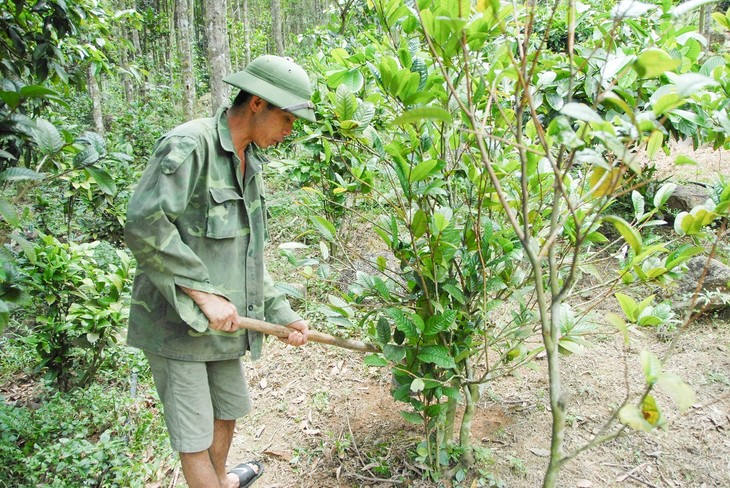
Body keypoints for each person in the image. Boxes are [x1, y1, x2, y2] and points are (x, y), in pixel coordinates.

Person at [124, 55, 316, 488]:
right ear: (257, 104)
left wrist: (281, 313)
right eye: (286, 118)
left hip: (225, 323)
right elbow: (144, 224)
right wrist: (203, 293)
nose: (290, 131)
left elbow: (249, 253)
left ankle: (219, 480)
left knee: (227, 411)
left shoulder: (249, 162)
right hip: (179, 319)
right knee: (192, 437)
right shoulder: (189, 145)